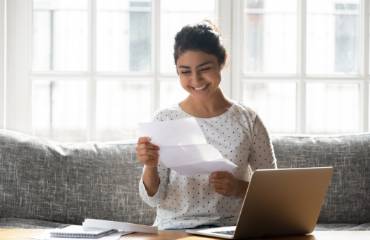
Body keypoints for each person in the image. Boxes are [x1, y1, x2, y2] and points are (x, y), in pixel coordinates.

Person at [136, 20, 277, 230]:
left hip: (228, 229)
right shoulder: (165, 119)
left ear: (223, 62)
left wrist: (240, 189)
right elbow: (153, 200)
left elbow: (274, 192)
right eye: (185, 72)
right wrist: (150, 164)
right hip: (174, 229)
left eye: (204, 69)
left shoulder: (249, 120)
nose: (196, 79)